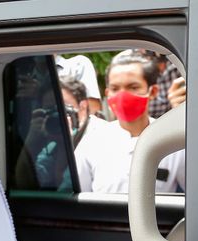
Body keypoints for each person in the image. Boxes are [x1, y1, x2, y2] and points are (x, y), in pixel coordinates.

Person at [75, 50, 186, 193]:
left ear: (152, 92)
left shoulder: (172, 143)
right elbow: (78, 198)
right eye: (115, 89)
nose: (123, 95)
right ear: (108, 94)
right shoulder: (91, 142)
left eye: (133, 87)